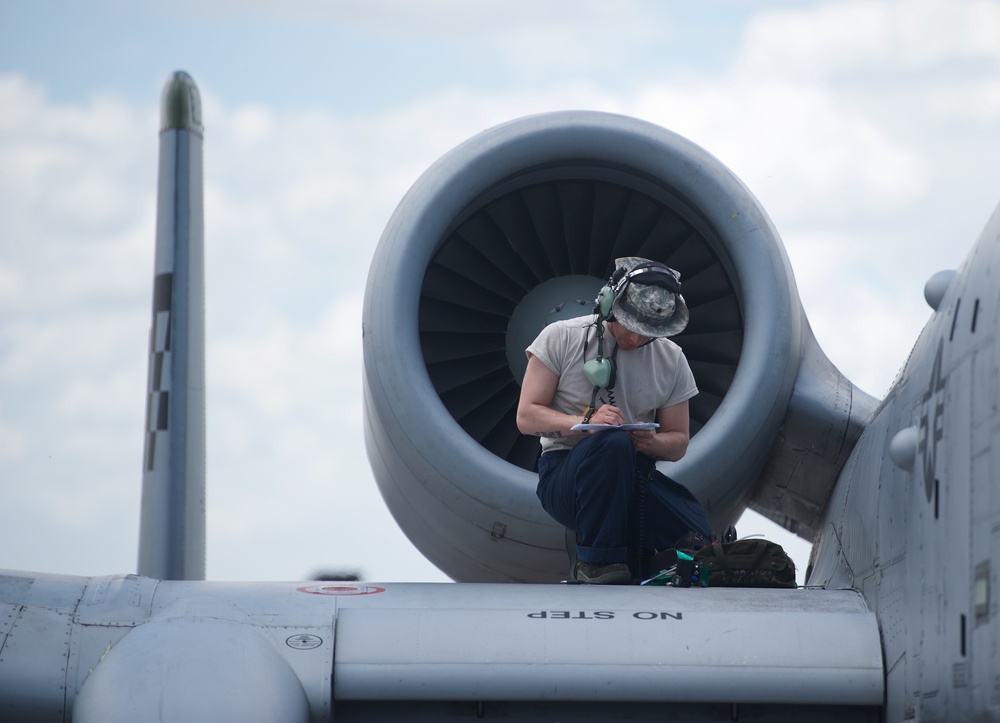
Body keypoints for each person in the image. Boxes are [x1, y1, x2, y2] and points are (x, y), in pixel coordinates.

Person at [516, 257, 713, 584]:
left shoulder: (672, 359)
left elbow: (678, 442)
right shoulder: (560, 337)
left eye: (646, 332)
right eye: (629, 325)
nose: (634, 339)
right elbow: (526, 416)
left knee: (697, 532)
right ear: (608, 304)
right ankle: (597, 564)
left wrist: (652, 443)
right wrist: (584, 421)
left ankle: (652, 568)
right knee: (611, 443)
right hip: (566, 474)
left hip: (633, 471)